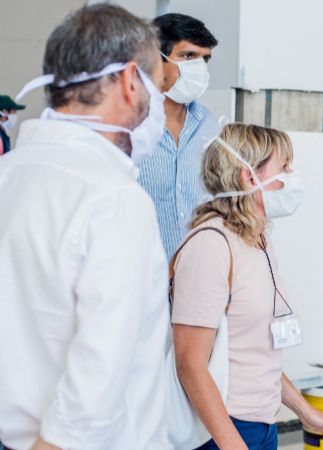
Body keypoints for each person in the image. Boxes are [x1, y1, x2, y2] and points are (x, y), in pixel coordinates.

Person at [0, 5, 171, 449]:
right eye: (156, 85)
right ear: (130, 81)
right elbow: (96, 383)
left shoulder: (10, 173)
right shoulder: (112, 199)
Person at [171, 123, 323, 450]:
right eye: (284, 166)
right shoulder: (211, 246)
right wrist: (232, 443)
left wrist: (304, 412)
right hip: (221, 432)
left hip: (261, 426)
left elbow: (255, 353)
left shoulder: (257, 239)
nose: (292, 175)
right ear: (249, 177)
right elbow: (190, 365)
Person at [138, 13, 220, 259]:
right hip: (141, 279)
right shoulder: (129, 127)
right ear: (155, 59)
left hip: (196, 278)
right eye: (188, 56)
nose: (199, 67)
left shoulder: (209, 125)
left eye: (205, 59)